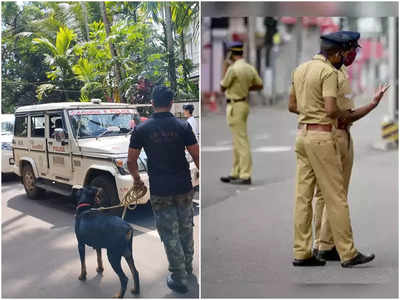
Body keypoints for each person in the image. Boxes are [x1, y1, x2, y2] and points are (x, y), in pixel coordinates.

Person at [288, 31, 387, 267]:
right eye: (347, 53)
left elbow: (293, 106)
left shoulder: (300, 69)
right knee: (336, 196)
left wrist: (311, 111)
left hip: (303, 135)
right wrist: (357, 111)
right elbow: (332, 110)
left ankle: (302, 252)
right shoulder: (329, 72)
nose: (347, 58)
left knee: (303, 197)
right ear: (338, 53)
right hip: (323, 137)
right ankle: (348, 252)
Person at [127, 85, 199, 293]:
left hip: (161, 190)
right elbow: (196, 155)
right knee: (186, 227)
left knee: (169, 232)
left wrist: (136, 180)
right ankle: (186, 267)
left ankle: (179, 277)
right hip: (184, 187)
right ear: (171, 103)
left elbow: (131, 161)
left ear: (152, 103)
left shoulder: (141, 129)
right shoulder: (183, 126)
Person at [219, 41, 263, 185]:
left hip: (235, 105)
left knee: (241, 141)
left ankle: (245, 174)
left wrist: (224, 67)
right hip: (243, 104)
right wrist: (245, 89)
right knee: (238, 140)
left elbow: (222, 87)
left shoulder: (232, 69)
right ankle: (235, 172)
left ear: (231, 54)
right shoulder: (249, 68)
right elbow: (259, 84)